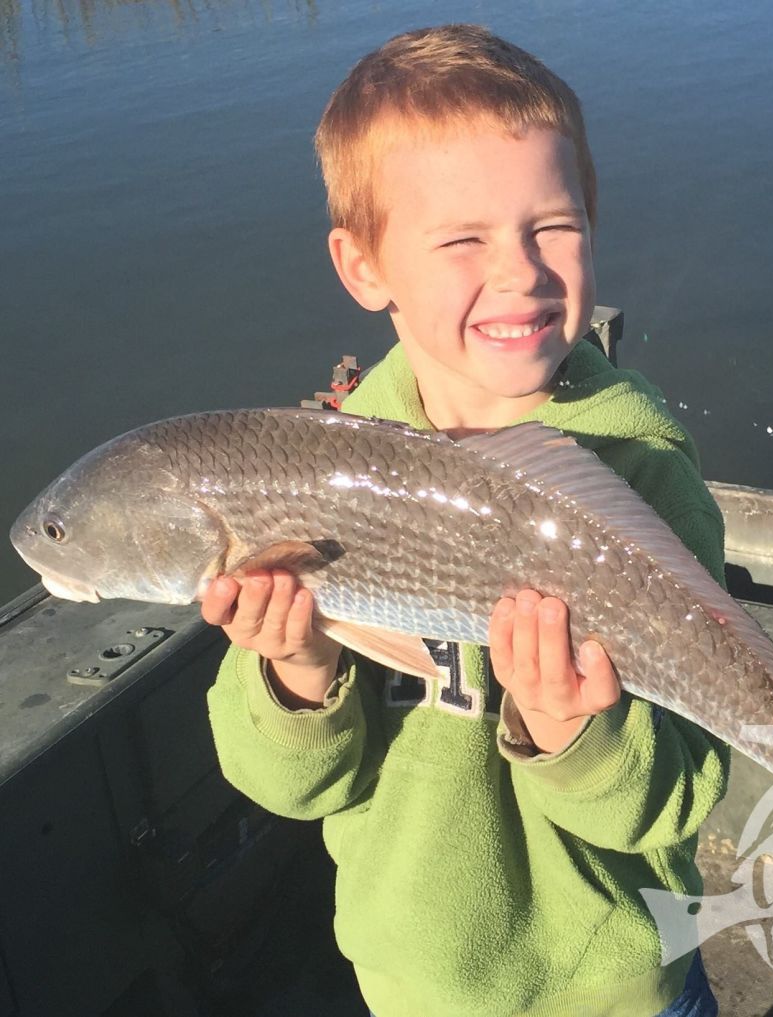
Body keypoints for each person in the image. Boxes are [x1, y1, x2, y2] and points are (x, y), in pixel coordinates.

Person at [202, 24, 727, 1017]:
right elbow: (287, 788)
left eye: (553, 226)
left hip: (613, 990)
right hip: (409, 986)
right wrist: (298, 674)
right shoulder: (314, 469)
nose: (520, 273)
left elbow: (687, 790)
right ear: (364, 268)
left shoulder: (639, 467)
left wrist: (582, 733)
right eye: (461, 241)